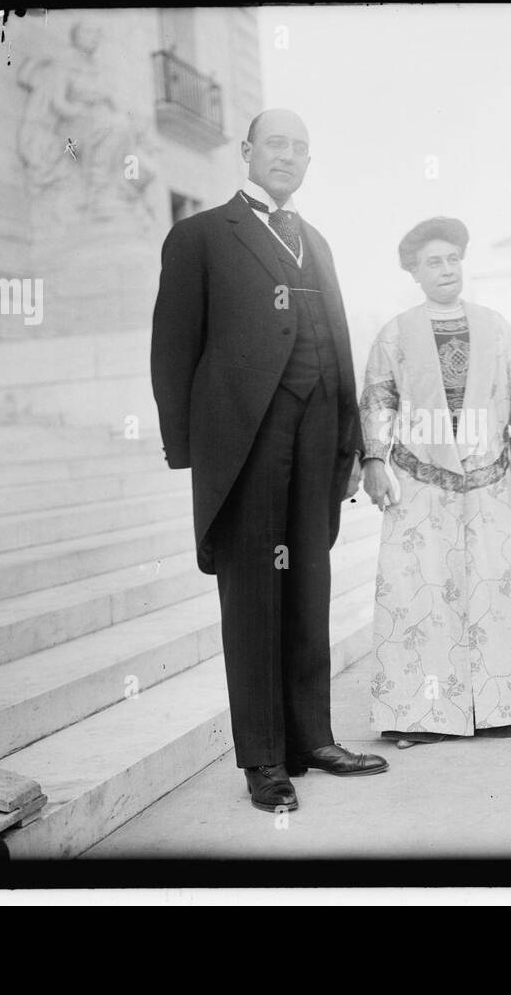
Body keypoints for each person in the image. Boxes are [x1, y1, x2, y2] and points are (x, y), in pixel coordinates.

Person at [150, 109, 387, 814]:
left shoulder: (316, 240)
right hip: (245, 445)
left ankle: (312, 737)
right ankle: (263, 759)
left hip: (317, 440)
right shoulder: (198, 237)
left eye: (300, 147)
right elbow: (172, 349)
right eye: (275, 143)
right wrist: (187, 451)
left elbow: (338, 342)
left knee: (308, 588)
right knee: (253, 598)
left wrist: (348, 442)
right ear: (247, 152)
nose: (288, 155)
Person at [361, 217, 511, 748]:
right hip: (420, 482)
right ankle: (422, 715)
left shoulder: (494, 326)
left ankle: (508, 705)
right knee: (423, 595)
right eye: (434, 262)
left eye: (453, 259)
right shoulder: (395, 333)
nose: (446, 269)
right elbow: (379, 398)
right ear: (414, 271)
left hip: (489, 478)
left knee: (497, 592)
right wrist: (375, 460)